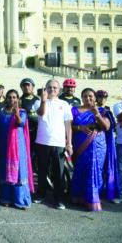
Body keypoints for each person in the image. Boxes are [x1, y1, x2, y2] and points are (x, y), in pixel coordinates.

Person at [70, 88, 119, 210]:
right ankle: (78, 198)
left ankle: (93, 199)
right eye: (85, 96)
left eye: (90, 96)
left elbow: (106, 127)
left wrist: (96, 114)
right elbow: (69, 127)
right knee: (81, 169)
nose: (88, 98)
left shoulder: (103, 111)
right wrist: (80, 128)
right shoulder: (75, 110)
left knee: (95, 170)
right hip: (80, 146)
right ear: (81, 98)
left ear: (95, 98)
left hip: (98, 147)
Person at [33, 79, 73, 210]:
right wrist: (44, 99)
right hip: (42, 142)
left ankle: (59, 198)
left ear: (59, 90)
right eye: (49, 87)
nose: (52, 90)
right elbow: (41, 113)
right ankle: (41, 194)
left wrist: (69, 144)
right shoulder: (38, 102)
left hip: (58, 142)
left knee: (59, 172)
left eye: (55, 88)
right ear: (45, 89)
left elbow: (68, 125)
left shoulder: (64, 104)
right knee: (42, 169)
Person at [0, 89, 34, 209]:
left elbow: (21, 123)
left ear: (18, 99)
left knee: (19, 172)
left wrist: (16, 115)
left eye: (14, 97)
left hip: (18, 149)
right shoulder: (2, 113)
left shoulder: (22, 112)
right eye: (9, 97)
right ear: (6, 99)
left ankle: (20, 200)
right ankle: (6, 198)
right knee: (5, 172)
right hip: (4, 147)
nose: (12, 99)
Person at [19, 78, 40, 158]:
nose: (26, 87)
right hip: (27, 131)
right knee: (28, 152)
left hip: (39, 131)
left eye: (28, 85)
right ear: (21, 88)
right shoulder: (20, 101)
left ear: (33, 87)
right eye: (24, 86)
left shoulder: (38, 99)